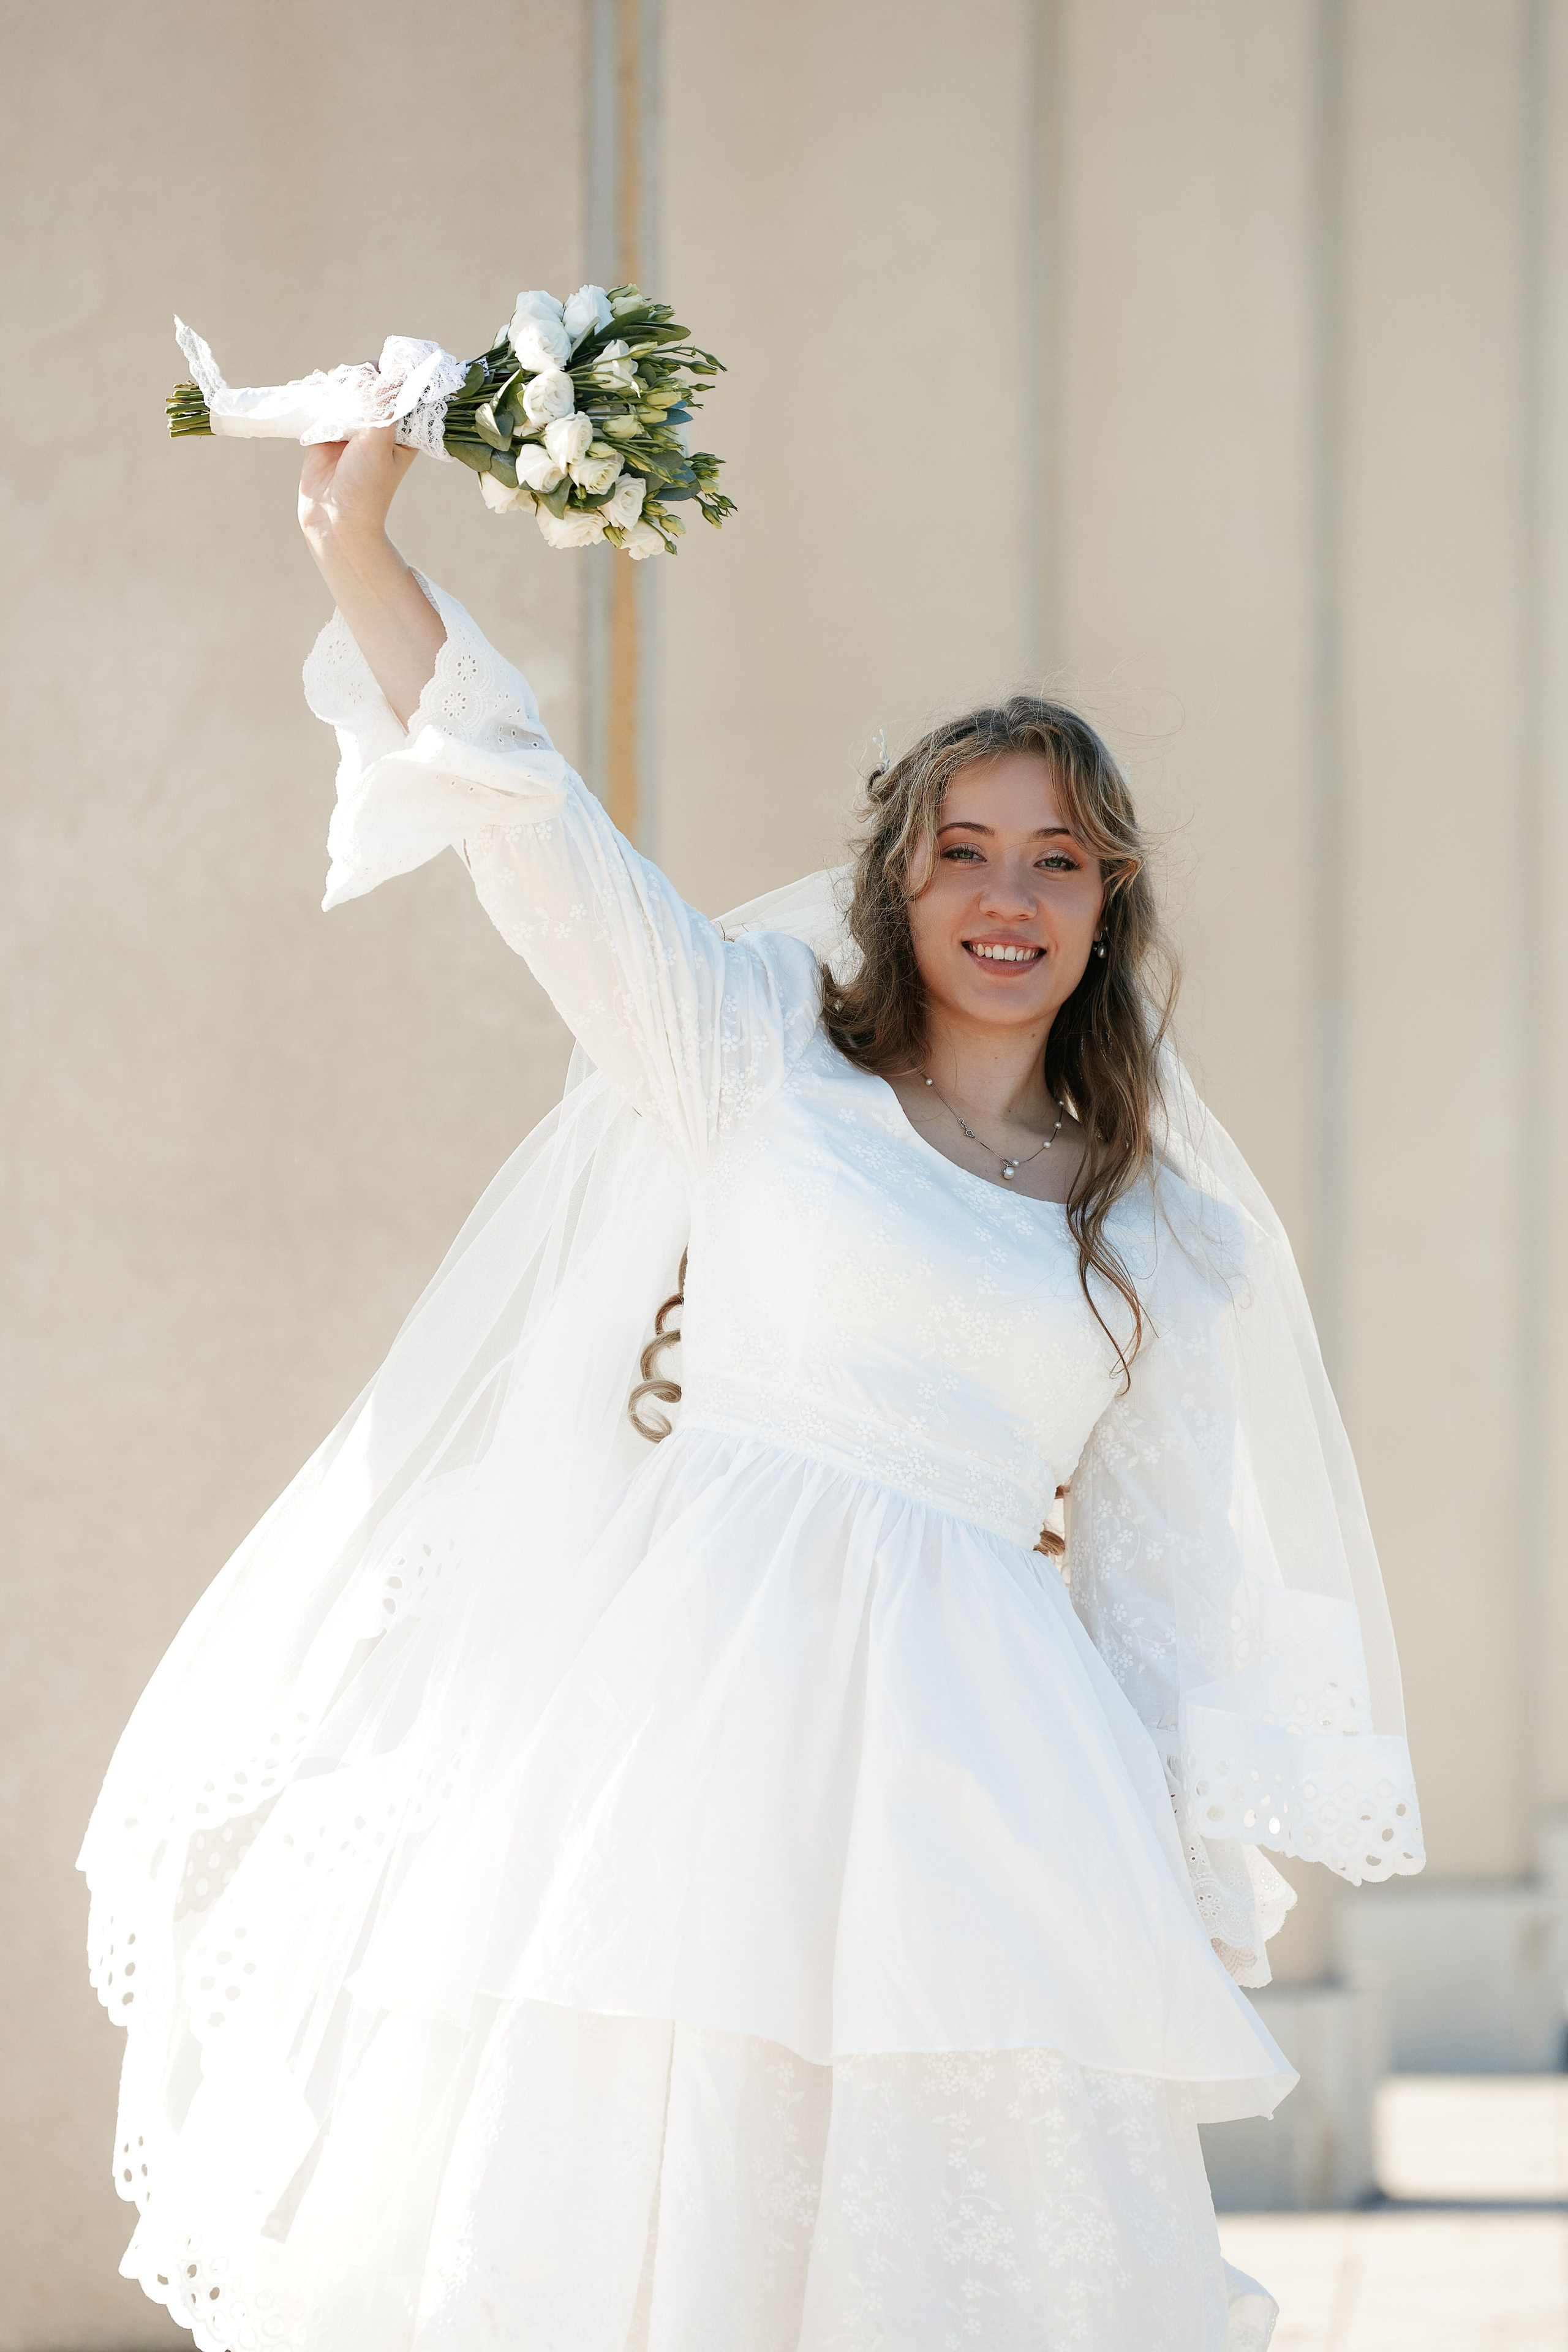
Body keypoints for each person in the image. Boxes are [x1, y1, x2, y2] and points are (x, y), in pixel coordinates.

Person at [81, 428, 1423, 2352]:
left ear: (1110, 905)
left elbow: (1153, 1594)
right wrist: (354, 541)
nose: (1007, 897)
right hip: (684, 1742)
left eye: (1057, 860)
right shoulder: (751, 1068)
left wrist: (1155, 1893)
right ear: (898, 877)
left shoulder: (1161, 1241)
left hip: (982, 1788)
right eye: (963, 851)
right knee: (650, 2195)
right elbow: (532, 823)